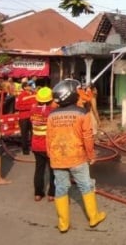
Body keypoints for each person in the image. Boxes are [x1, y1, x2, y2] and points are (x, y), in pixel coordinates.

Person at [47, 79, 105, 233]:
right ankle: (94, 217)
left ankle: (63, 223)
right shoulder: (82, 113)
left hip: (58, 157)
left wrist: (51, 155)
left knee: (61, 188)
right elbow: (87, 137)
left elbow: (49, 137)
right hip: (77, 157)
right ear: (72, 95)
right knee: (85, 185)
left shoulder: (52, 115)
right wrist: (91, 155)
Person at [30, 87, 55, 202]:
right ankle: (52, 194)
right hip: (50, 145)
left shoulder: (33, 109)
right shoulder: (52, 111)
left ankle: (38, 194)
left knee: (39, 170)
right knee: (53, 171)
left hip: (36, 145)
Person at [15, 82, 36, 155]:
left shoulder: (34, 94)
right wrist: (30, 107)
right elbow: (17, 107)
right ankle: (25, 150)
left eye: (30, 85)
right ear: (25, 87)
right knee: (24, 134)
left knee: (34, 133)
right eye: (29, 85)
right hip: (24, 117)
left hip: (33, 117)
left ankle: (34, 148)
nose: (30, 87)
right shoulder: (21, 95)